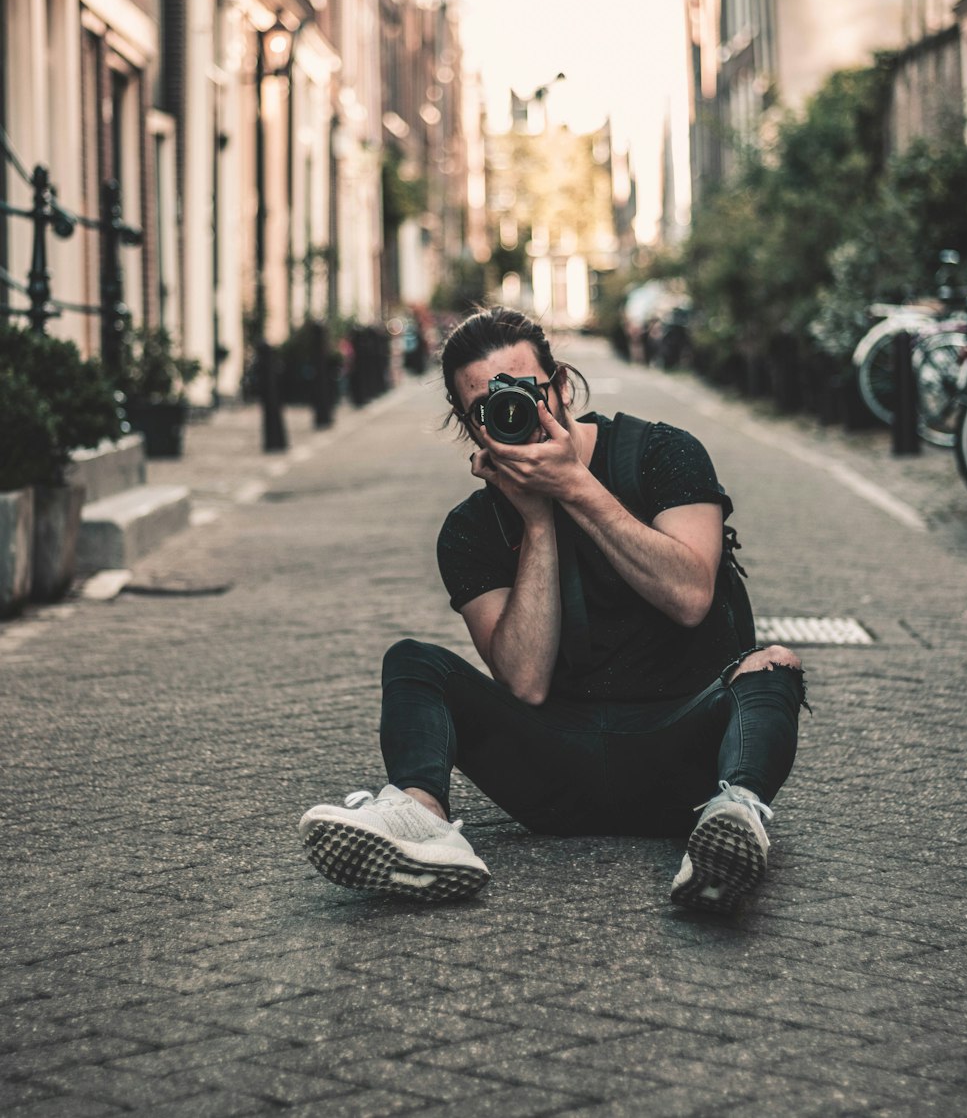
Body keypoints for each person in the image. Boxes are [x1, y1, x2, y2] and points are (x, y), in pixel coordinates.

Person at [299, 307, 805, 913]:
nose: (513, 412)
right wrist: (538, 519)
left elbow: (691, 597)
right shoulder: (471, 529)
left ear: (561, 385)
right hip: (555, 774)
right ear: (471, 425)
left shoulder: (662, 453)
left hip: (684, 761)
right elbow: (526, 683)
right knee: (412, 663)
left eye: (524, 392)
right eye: (489, 406)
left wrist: (575, 486)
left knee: (772, 664)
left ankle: (730, 823)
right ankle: (422, 825)